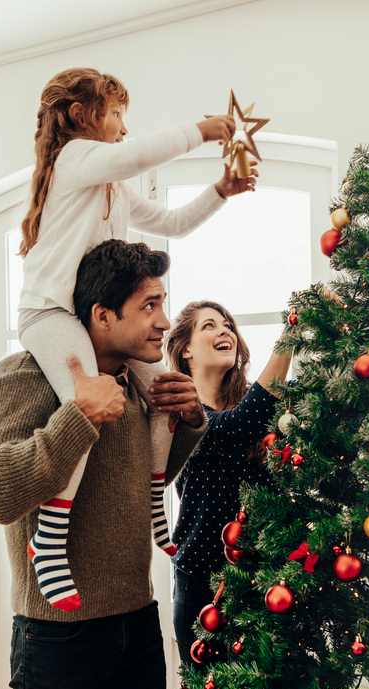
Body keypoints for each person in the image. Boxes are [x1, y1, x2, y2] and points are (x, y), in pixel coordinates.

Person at [0, 239, 206, 689]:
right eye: (150, 305)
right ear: (101, 316)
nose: (166, 320)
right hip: (56, 634)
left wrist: (187, 423)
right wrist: (76, 418)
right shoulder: (23, 378)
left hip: (136, 624)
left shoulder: (139, 386)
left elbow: (137, 486)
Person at [17, 66, 256, 611]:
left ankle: (155, 506)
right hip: (50, 313)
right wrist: (204, 129)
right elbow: (133, 155)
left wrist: (221, 190)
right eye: (118, 114)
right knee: (91, 401)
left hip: (87, 316)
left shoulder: (113, 189)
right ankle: (49, 537)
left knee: (166, 393)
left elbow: (172, 222)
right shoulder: (73, 160)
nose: (125, 127)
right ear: (83, 117)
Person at [164, 300, 292, 665]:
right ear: (186, 348)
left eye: (228, 325)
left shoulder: (260, 406)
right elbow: (234, 428)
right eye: (209, 326)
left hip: (266, 576)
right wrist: (291, 334)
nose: (224, 331)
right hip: (203, 583)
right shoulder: (181, 410)